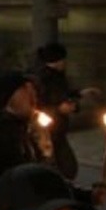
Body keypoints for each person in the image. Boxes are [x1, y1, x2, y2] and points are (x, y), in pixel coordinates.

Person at [0, 71, 106, 208]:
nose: (33, 96)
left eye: (33, 90)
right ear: (9, 98)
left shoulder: (29, 131)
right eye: (25, 90)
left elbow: (46, 178)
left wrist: (87, 197)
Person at [34, 42, 100, 180]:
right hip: (48, 130)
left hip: (58, 129)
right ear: (57, 60)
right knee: (61, 167)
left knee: (65, 167)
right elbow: (40, 105)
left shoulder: (57, 76)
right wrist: (58, 109)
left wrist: (81, 93)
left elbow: (63, 94)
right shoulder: (43, 79)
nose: (65, 62)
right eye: (64, 59)